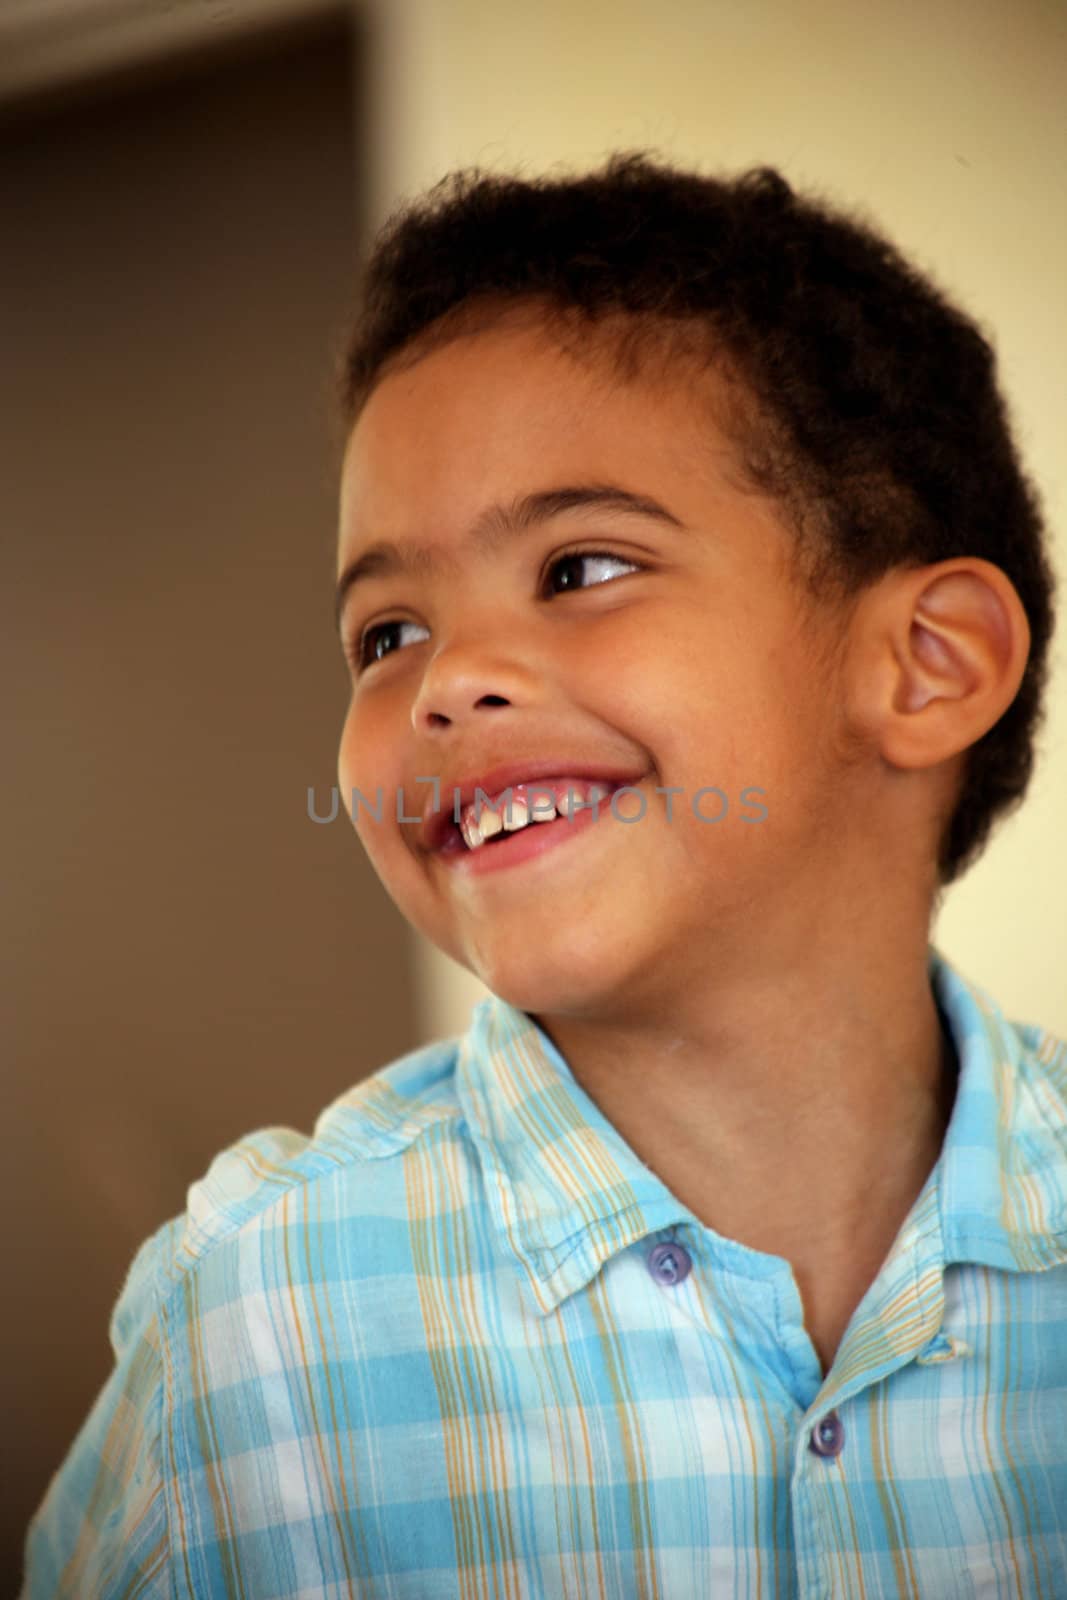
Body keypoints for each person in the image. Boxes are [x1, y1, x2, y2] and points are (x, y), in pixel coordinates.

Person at [22, 152, 1066, 1599]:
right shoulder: (260, 1323)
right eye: (386, 634)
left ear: (927, 664)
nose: (450, 683)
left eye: (580, 568)